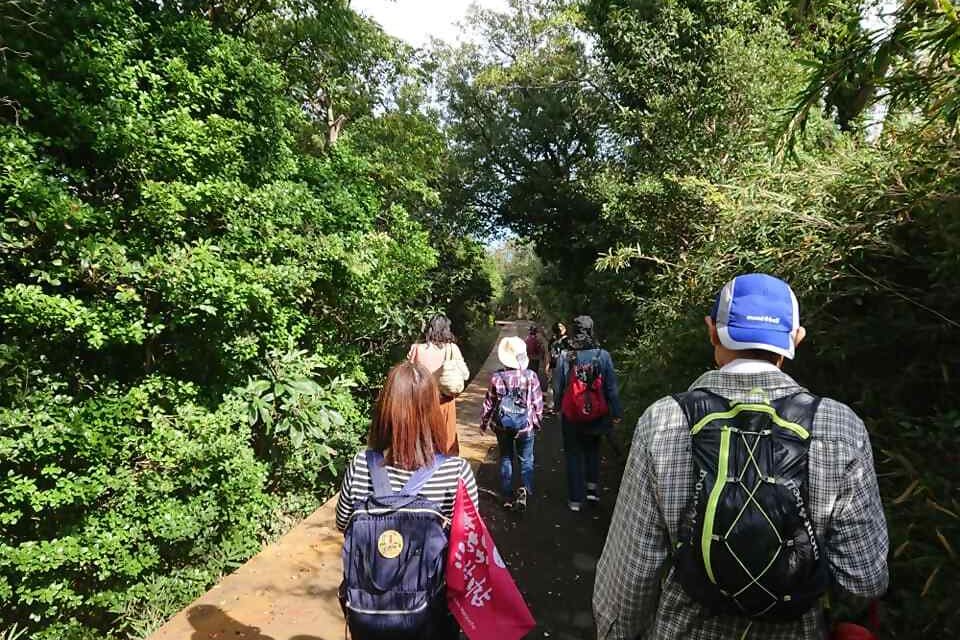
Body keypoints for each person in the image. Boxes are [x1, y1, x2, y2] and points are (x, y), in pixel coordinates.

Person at [593, 273, 889, 640]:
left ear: (712, 332)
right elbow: (863, 579)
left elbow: (630, 575)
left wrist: (616, 632)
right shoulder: (840, 426)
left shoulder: (664, 419)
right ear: (796, 339)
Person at [337, 361, 479, 639]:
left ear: (385, 409)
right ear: (433, 411)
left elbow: (343, 522)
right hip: (430, 614)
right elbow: (467, 542)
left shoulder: (360, 465)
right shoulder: (456, 471)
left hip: (369, 612)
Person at [552, 315, 622, 511]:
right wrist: (616, 411)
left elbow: (558, 386)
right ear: (591, 331)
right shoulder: (603, 355)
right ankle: (592, 491)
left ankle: (575, 500)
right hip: (597, 413)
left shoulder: (566, 356)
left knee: (573, 454)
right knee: (593, 450)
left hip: (571, 414)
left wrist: (557, 406)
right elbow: (611, 387)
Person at [480, 336, 544, 511]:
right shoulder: (531, 376)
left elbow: (489, 403)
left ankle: (507, 495)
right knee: (526, 459)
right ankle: (525, 489)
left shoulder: (497, 377)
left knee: (506, 457)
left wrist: (484, 423)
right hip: (525, 426)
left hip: (503, 426)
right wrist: (536, 423)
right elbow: (538, 403)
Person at [407, 314, 469, 455]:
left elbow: (408, 373)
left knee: (422, 437)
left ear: (429, 329)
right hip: (444, 400)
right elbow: (464, 374)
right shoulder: (452, 348)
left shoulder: (417, 349)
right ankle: (445, 464)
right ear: (446, 329)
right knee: (446, 439)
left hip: (422, 399)